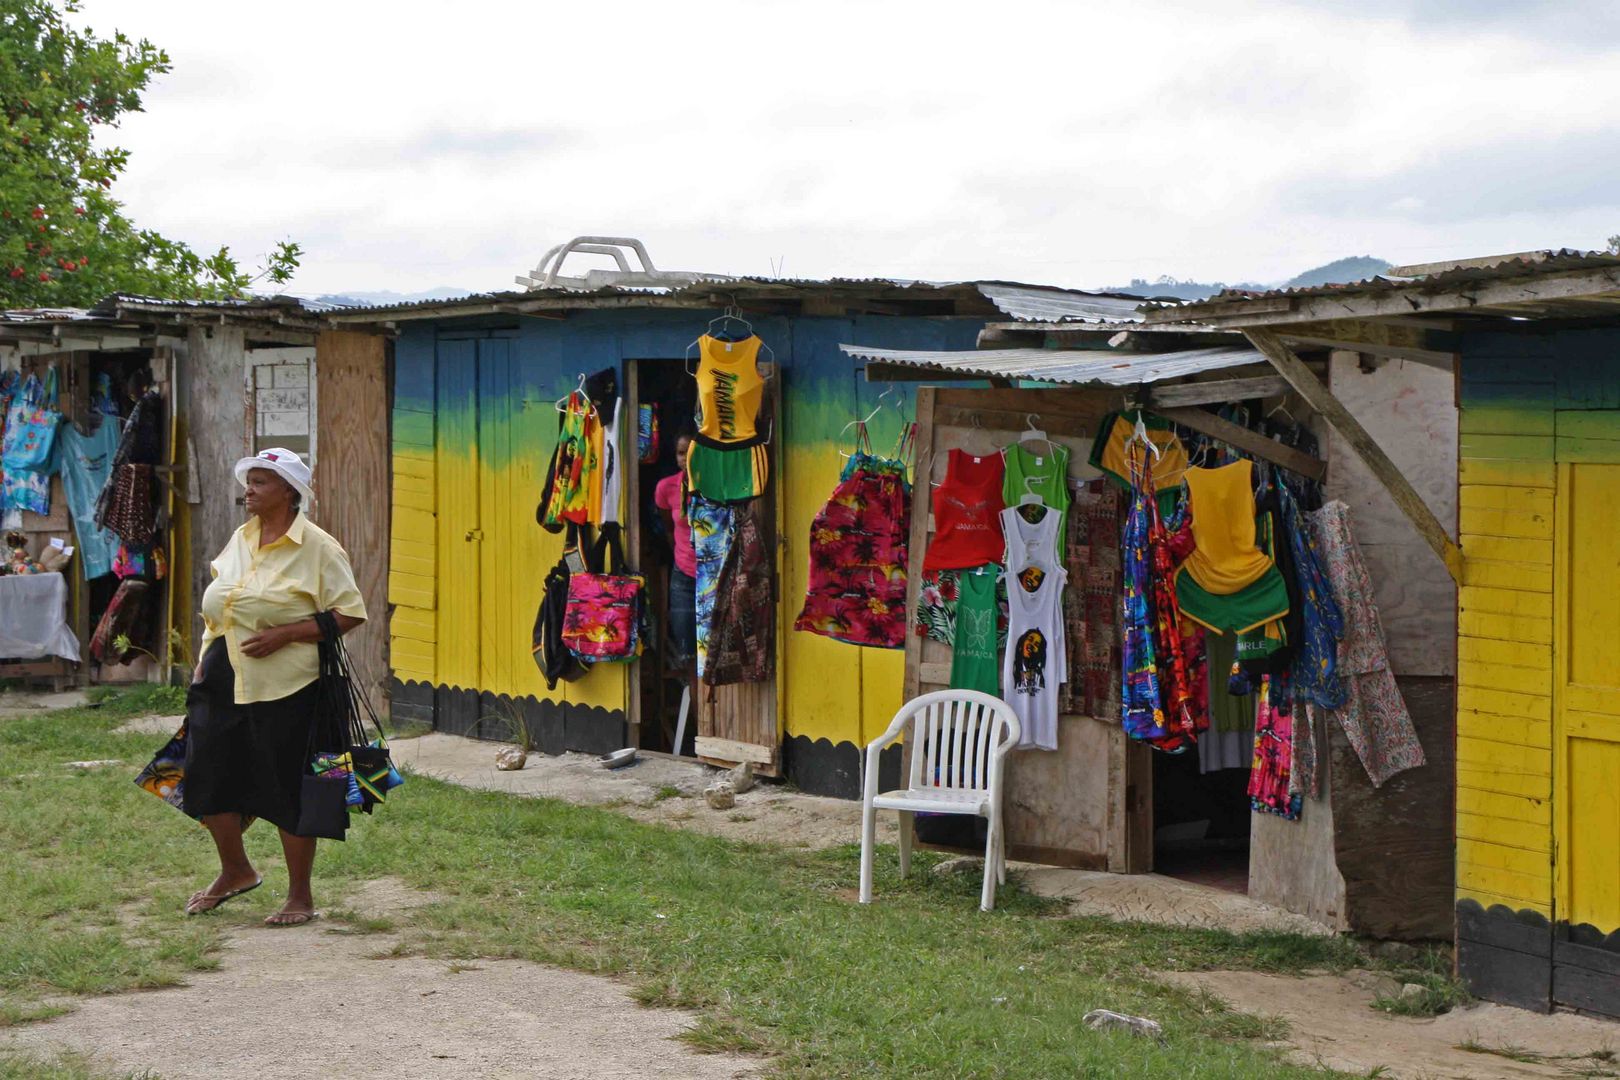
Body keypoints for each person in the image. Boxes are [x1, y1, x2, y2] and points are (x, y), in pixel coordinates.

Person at [181, 448, 367, 926]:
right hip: (223, 676)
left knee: (289, 785)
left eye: (262, 482)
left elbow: (349, 612)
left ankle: (300, 896)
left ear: (289, 491)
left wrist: (286, 633)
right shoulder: (240, 539)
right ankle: (235, 870)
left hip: (289, 684)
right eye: (250, 481)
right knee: (206, 774)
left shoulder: (319, 548)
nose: (250, 489)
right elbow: (217, 607)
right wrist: (205, 658)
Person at [653, 434, 697, 670]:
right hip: (684, 577)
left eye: (690, 451)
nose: (685, 458)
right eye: (681, 453)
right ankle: (694, 705)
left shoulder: (716, 485)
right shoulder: (666, 488)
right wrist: (681, 555)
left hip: (714, 577)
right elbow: (668, 529)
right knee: (686, 652)